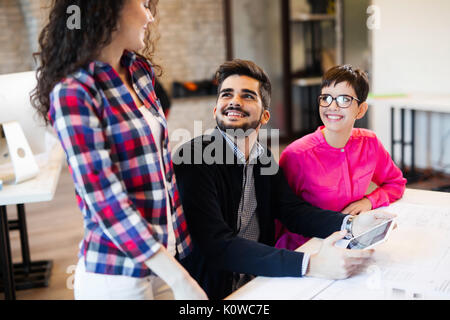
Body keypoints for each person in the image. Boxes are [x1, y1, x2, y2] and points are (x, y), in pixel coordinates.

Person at [173, 59, 396, 300]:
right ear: (216, 109)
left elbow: (293, 211)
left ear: (265, 115)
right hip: (213, 291)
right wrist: (311, 264)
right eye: (227, 94)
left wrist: (352, 224)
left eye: (247, 96)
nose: (235, 101)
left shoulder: (263, 158)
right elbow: (215, 244)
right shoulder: (193, 158)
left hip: (262, 278)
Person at [31, 0, 207, 300]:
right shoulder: (74, 92)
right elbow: (104, 201)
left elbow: (159, 170)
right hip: (118, 273)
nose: (150, 17)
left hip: (167, 258)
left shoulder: (139, 72)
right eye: (143, 4)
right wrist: (181, 279)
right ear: (107, 9)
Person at [275, 65, 406, 251]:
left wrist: (369, 201)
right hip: (306, 247)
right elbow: (280, 216)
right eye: (326, 98)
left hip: (351, 241)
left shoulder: (369, 143)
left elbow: (395, 183)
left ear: (361, 110)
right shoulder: (296, 155)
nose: (332, 106)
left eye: (344, 99)